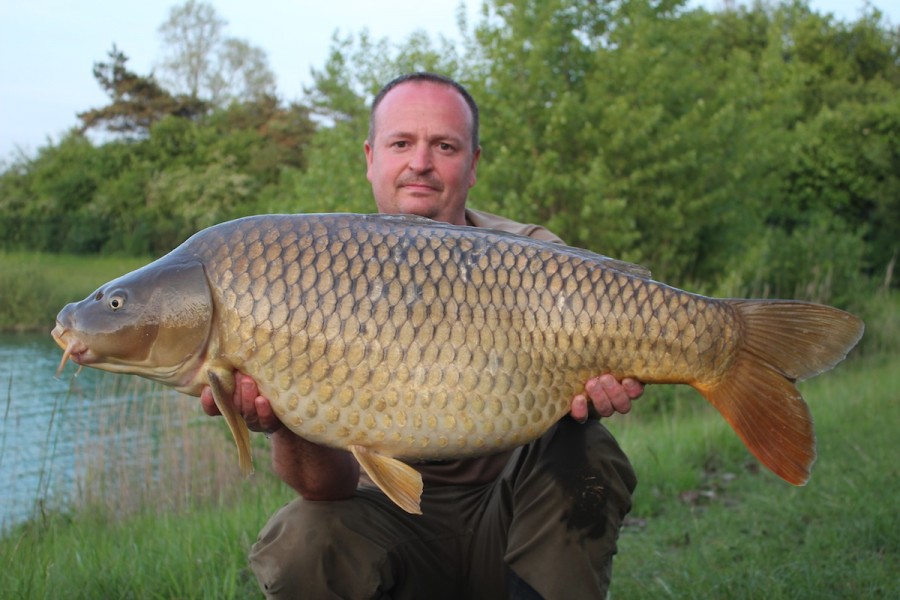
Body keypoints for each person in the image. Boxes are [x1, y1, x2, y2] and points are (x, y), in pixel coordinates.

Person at [201, 72, 644, 599]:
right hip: (392, 524)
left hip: (513, 516)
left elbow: (578, 398)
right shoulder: (314, 271)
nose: (420, 162)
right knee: (302, 538)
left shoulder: (532, 257)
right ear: (370, 157)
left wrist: (591, 397)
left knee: (588, 449)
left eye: (445, 145)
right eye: (401, 143)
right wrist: (284, 421)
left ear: (473, 163)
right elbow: (327, 488)